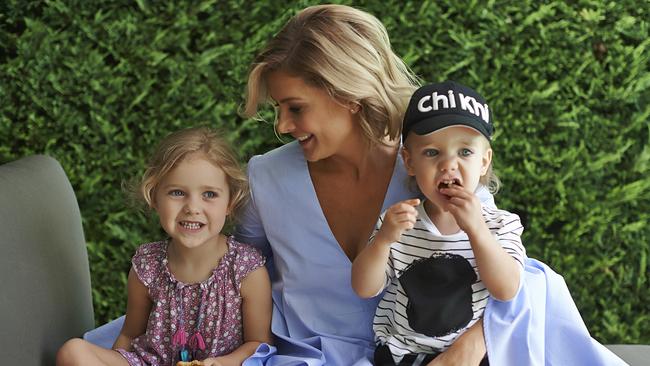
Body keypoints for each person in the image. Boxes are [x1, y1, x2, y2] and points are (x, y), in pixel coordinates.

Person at [236, 5, 495, 365]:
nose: (281, 125)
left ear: (348, 96)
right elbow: (235, 270)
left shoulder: (432, 166)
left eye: (295, 108)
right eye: (278, 108)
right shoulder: (266, 177)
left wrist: (470, 345)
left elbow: (510, 271)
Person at [57, 127, 272, 366]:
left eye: (209, 194)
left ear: (230, 202)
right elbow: (130, 335)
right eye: (177, 192)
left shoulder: (246, 269)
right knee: (73, 351)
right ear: (155, 198)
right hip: (150, 362)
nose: (192, 207)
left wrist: (224, 363)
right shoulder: (148, 265)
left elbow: (259, 345)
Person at [351, 81, 527, 365]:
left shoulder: (500, 225)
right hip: (402, 354)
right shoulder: (398, 222)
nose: (449, 165)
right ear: (409, 162)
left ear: (484, 161)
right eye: (432, 153)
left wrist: (478, 231)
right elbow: (363, 288)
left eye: (465, 152)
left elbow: (507, 290)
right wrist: (383, 241)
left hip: (475, 356)